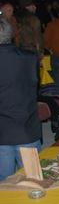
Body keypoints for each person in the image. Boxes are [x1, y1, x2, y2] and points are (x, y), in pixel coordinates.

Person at [0, 19, 41, 181]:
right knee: (34, 181)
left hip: (2, 132)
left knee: (4, 184)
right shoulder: (30, 57)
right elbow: (35, 85)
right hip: (27, 126)